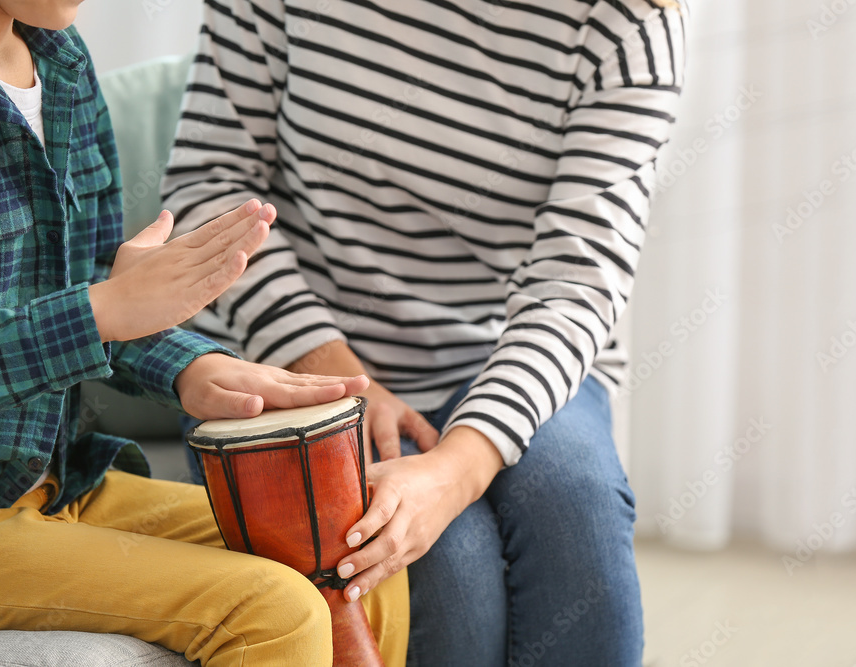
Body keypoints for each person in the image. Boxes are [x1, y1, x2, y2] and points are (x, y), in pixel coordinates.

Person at [163, 0, 686, 664]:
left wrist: (454, 469)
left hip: (508, 350)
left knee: (578, 514)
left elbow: (575, 281)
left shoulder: (628, 20)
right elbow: (211, 187)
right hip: (287, 358)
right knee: (451, 577)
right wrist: (334, 377)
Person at [0, 1, 409, 665]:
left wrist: (197, 367)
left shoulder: (62, 65)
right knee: (274, 608)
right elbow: (95, 309)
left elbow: (103, 292)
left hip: (62, 481)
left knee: (352, 555)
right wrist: (100, 310)